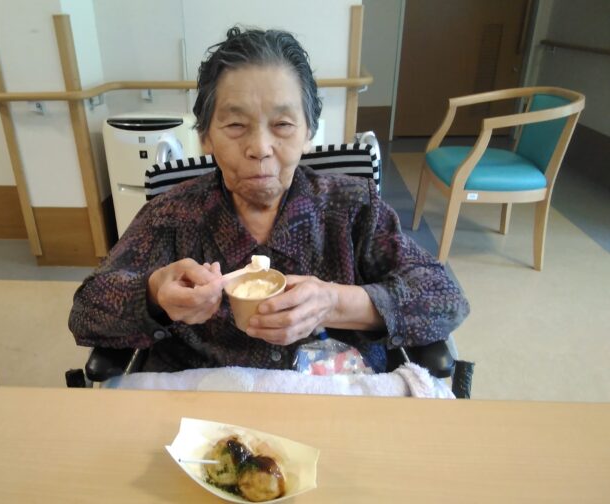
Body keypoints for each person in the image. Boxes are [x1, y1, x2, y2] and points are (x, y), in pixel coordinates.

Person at [68, 27, 469, 372]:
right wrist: (154, 295)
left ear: (309, 131)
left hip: (332, 398)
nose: (260, 147)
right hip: (205, 412)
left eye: (282, 124)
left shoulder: (352, 208)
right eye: (235, 124)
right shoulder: (172, 215)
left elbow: (445, 298)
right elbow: (85, 313)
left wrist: (335, 302)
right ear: (205, 136)